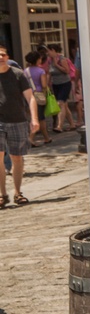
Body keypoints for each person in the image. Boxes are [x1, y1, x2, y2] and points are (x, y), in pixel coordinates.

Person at [0, 46, 38, 208]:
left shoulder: (18, 74)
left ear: (8, 56)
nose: (0, 57)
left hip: (18, 121)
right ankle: (2, 195)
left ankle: (17, 192)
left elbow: (30, 98)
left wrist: (34, 118)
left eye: (3, 54)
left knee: (17, 158)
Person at [45, 43, 76, 132]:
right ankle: (72, 124)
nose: (48, 53)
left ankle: (59, 126)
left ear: (53, 50)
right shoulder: (49, 60)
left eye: (49, 51)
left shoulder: (62, 59)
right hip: (55, 84)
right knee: (64, 105)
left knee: (60, 103)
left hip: (64, 83)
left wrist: (56, 65)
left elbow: (67, 71)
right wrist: (47, 84)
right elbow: (49, 72)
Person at [23, 51, 51, 146]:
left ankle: (46, 137)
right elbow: (44, 85)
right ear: (37, 60)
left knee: (38, 117)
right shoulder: (41, 71)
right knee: (40, 118)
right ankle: (30, 138)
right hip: (38, 95)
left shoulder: (25, 71)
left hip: (28, 95)